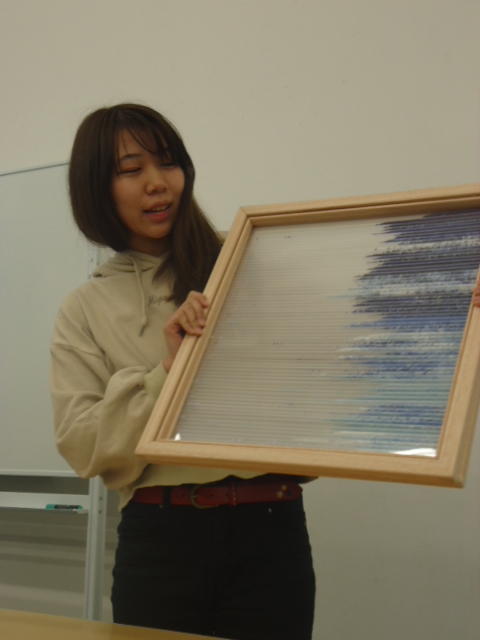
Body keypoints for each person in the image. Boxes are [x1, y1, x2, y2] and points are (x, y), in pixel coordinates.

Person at [50, 103, 316, 640]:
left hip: (273, 526)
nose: (157, 182)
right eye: (131, 170)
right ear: (96, 189)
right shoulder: (84, 307)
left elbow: (328, 365)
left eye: (167, 162)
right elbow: (81, 445)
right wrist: (168, 370)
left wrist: (449, 305)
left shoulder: (248, 264)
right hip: (162, 538)